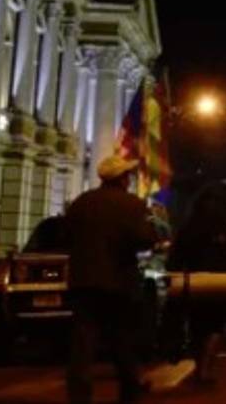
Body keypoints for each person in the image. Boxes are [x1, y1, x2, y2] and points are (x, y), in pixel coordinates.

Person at [65, 154, 160, 404]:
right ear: (121, 179)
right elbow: (145, 239)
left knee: (82, 345)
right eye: (127, 176)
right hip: (118, 283)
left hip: (83, 283)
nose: (129, 179)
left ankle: (79, 395)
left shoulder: (81, 203)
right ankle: (130, 391)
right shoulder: (132, 205)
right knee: (122, 342)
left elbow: (66, 236)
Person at [167, 184, 226, 385]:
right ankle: (206, 367)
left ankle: (200, 365)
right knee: (217, 326)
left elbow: (175, 259)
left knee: (198, 326)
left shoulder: (189, 228)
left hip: (194, 283)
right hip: (222, 284)